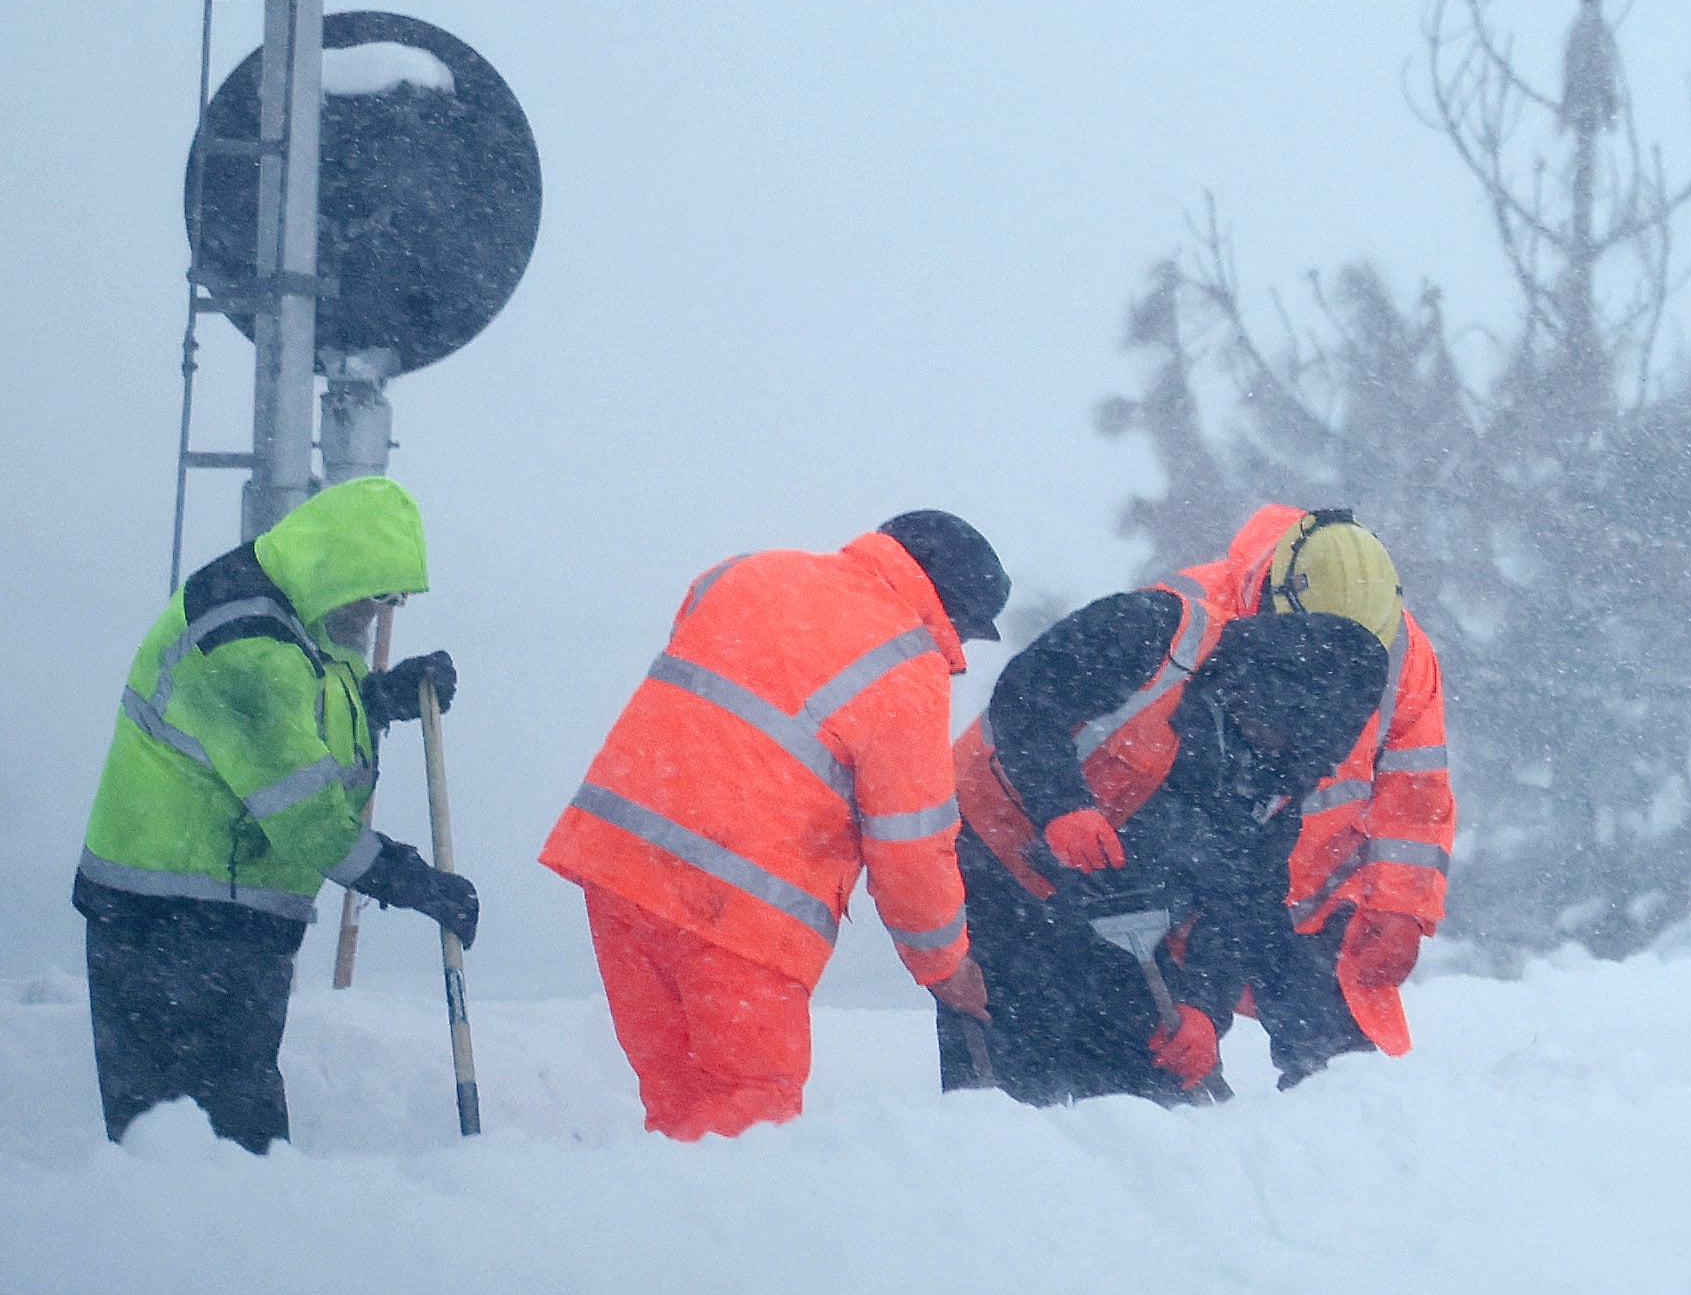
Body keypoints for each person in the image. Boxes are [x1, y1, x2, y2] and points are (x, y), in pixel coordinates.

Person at [541, 507, 1005, 1138]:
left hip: (618, 860)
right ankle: (721, 1231)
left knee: (677, 1098)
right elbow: (911, 848)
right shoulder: (906, 664)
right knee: (751, 1104)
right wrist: (946, 966)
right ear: (949, 607)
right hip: (739, 905)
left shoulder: (749, 572)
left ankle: (666, 1226)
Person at [74, 475, 474, 1149]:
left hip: (223, 924)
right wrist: (410, 881)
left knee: (235, 1148)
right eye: (376, 593)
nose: (377, 614)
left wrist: (380, 698)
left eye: (394, 599)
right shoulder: (245, 638)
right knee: (193, 1152)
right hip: (166, 928)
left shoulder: (295, 617)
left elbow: (309, 713)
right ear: (336, 566)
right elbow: (302, 813)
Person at [943, 605, 1392, 1103]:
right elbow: (1026, 696)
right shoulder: (1154, 634)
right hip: (997, 871)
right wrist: (1063, 806)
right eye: (1269, 729)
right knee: (1013, 1090)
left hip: (1120, 919)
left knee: (1142, 1099)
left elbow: (1243, 905)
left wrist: (1203, 1007)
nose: (1269, 747)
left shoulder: (1280, 775)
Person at [1171, 507, 1452, 1049]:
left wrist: (1401, 908)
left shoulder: (1405, 653)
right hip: (1201, 889)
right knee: (1155, 1085)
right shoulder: (1190, 617)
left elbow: (1417, 793)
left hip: (1321, 907)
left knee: (1346, 1090)